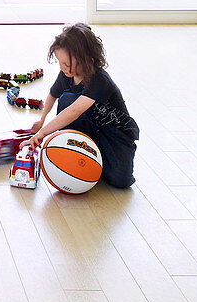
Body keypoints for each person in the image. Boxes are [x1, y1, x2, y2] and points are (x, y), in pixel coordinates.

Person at [27, 22, 139, 188]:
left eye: (66, 63)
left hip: (114, 135)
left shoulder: (100, 80)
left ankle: (98, 159)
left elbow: (74, 111)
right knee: (66, 99)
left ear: (87, 59)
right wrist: (41, 121)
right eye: (60, 62)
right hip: (91, 129)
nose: (62, 67)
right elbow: (53, 94)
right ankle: (80, 153)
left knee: (120, 181)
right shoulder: (67, 74)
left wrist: (43, 133)